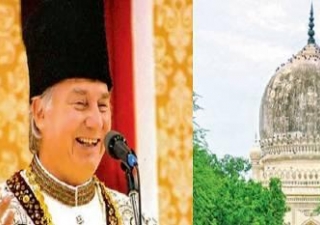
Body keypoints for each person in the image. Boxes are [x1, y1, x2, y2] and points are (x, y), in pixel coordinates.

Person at [0, 0, 157, 224]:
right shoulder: (6, 210)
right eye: (81, 103)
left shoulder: (133, 217)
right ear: (39, 113)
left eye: (103, 106)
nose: (95, 121)